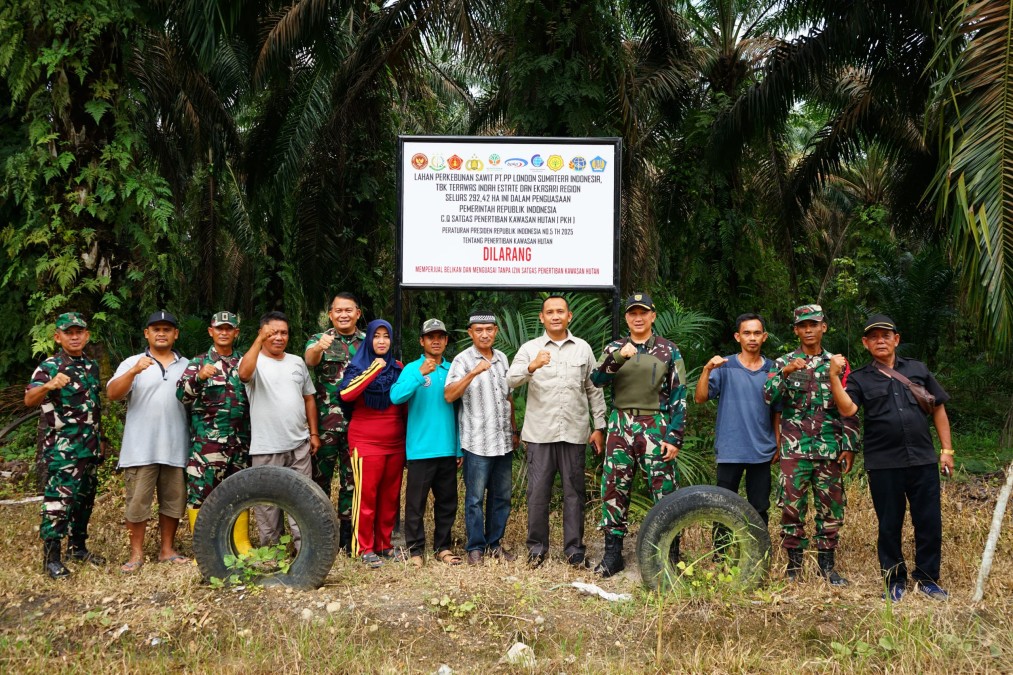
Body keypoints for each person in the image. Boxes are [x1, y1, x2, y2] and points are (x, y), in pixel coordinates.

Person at [829, 314, 954, 601]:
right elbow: (848, 410)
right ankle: (894, 580)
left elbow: (938, 409)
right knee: (889, 524)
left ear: (896, 339)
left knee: (929, 521)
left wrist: (946, 450)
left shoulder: (917, 369)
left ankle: (927, 579)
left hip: (922, 459)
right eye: (874, 336)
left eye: (886, 335)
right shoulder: (860, 377)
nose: (880, 340)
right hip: (884, 463)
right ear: (865, 343)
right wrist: (834, 377)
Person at [590, 293, 687, 577]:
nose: (638, 317)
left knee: (665, 489)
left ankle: (669, 553)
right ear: (627, 318)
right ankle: (613, 555)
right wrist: (620, 356)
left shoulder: (670, 350)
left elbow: (680, 395)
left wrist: (674, 436)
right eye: (633, 312)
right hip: (620, 423)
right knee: (614, 488)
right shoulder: (614, 347)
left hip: (655, 423)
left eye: (643, 312)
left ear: (653, 316)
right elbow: (597, 379)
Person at [506, 295, 606, 568]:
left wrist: (599, 427)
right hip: (540, 434)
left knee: (574, 493)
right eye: (549, 312)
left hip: (574, 433)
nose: (555, 316)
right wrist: (532, 366)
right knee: (538, 494)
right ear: (542, 317)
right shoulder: (530, 348)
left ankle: (574, 550)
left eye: (560, 311)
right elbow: (510, 381)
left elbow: (594, 389)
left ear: (569, 316)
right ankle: (537, 549)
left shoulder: (583, 349)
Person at [764, 304, 859, 585]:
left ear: (823, 327)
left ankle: (827, 566)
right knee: (791, 507)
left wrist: (849, 444)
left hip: (829, 446)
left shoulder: (837, 363)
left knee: (830, 508)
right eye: (803, 326)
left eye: (813, 324)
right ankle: (794, 567)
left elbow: (850, 406)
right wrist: (786, 373)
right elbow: (768, 398)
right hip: (795, 448)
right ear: (796, 330)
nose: (809, 330)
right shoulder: (783, 362)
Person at [107, 310, 190, 573]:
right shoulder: (133, 362)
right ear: (147, 333)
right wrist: (133, 371)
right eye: (156, 329)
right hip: (140, 447)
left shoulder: (187, 365)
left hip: (175, 446)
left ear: (175, 334)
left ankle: (167, 550)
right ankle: (136, 554)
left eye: (167, 329)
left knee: (173, 502)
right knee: (137, 503)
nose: (162, 333)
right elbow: (112, 394)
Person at [25, 312, 106, 578]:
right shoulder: (49, 366)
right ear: (57, 337)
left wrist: (101, 440)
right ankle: (51, 558)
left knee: (84, 500)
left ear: (87, 335)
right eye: (68, 332)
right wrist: (48, 385)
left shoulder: (91, 367)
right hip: (64, 450)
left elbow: (94, 407)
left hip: (90, 447)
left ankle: (78, 547)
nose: (74, 337)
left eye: (79, 332)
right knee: (58, 502)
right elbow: (29, 399)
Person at [238, 311, 319, 550]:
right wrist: (257, 341)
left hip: (299, 445)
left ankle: (304, 551)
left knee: (301, 499)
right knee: (268, 504)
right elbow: (244, 374)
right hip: (266, 446)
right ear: (262, 334)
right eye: (272, 333)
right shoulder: (253, 361)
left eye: (283, 333)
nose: (279, 337)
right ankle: (272, 553)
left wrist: (313, 434)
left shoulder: (296, 362)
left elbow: (309, 399)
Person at [445, 310, 519, 565]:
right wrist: (473, 373)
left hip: (503, 441)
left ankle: (494, 544)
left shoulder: (502, 358)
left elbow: (507, 397)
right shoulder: (462, 360)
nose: (484, 334)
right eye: (479, 330)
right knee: (475, 499)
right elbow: (449, 395)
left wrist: (514, 429)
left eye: (489, 329)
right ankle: (475, 547)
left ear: (496, 331)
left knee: (502, 497)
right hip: (477, 442)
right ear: (470, 333)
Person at [695, 314, 779, 534]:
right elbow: (700, 397)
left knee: (760, 506)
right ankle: (721, 555)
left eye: (757, 333)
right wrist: (707, 370)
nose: (752, 338)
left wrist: (778, 444)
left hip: (761, 450)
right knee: (723, 505)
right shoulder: (724, 366)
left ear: (764, 337)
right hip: (730, 449)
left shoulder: (772, 370)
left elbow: (778, 411)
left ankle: (759, 552)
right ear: (737, 336)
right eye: (747, 333)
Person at [390, 319, 462, 566]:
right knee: (415, 505)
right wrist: (420, 375)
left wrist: (459, 446)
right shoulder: (412, 368)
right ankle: (415, 550)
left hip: (447, 448)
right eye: (430, 336)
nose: (436, 340)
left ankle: (442, 547)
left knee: (447, 503)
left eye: (440, 336)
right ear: (422, 341)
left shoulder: (453, 369)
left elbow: (460, 411)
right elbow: (396, 396)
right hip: (420, 450)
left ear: (446, 341)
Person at [339, 319, 406, 568]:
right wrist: (373, 370)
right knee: (366, 497)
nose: (381, 341)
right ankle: (363, 547)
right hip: (365, 440)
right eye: (376, 336)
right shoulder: (358, 366)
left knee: (389, 498)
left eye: (385, 336)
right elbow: (346, 394)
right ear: (368, 339)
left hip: (395, 441)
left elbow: (404, 403)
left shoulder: (398, 368)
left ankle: (384, 545)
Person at [176, 311, 250, 533]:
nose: (224, 332)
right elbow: (182, 397)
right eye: (219, 328)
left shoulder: (244, 362)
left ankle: (239, 544)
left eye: (229, 328)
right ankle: (203, 548)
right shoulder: (198, 363)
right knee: (201, 495)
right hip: (207, 445)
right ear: (211, 332)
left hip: (240, 443)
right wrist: (198, 378)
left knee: (239, 493)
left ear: (236, 332)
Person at [304, 292, 364, 552]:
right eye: (338, 311)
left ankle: (347, 538)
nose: (343, 315)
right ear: (330, 314)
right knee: (320, 481)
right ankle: (319, 535)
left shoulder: (368, 342)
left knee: (353, 481)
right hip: (327, 425)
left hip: (359, 424)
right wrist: (319, 347)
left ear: (357, 313)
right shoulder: (321, 339)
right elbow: (310, 359)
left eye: (348, 310)